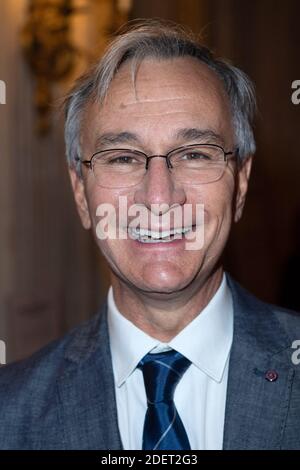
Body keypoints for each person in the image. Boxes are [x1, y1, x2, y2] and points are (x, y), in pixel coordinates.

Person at [0, 19, 299, 451]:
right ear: (81, 193)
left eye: (195, 153)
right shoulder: (10, 414)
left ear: (241, 182)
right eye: (122, 157)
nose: (159, 197)